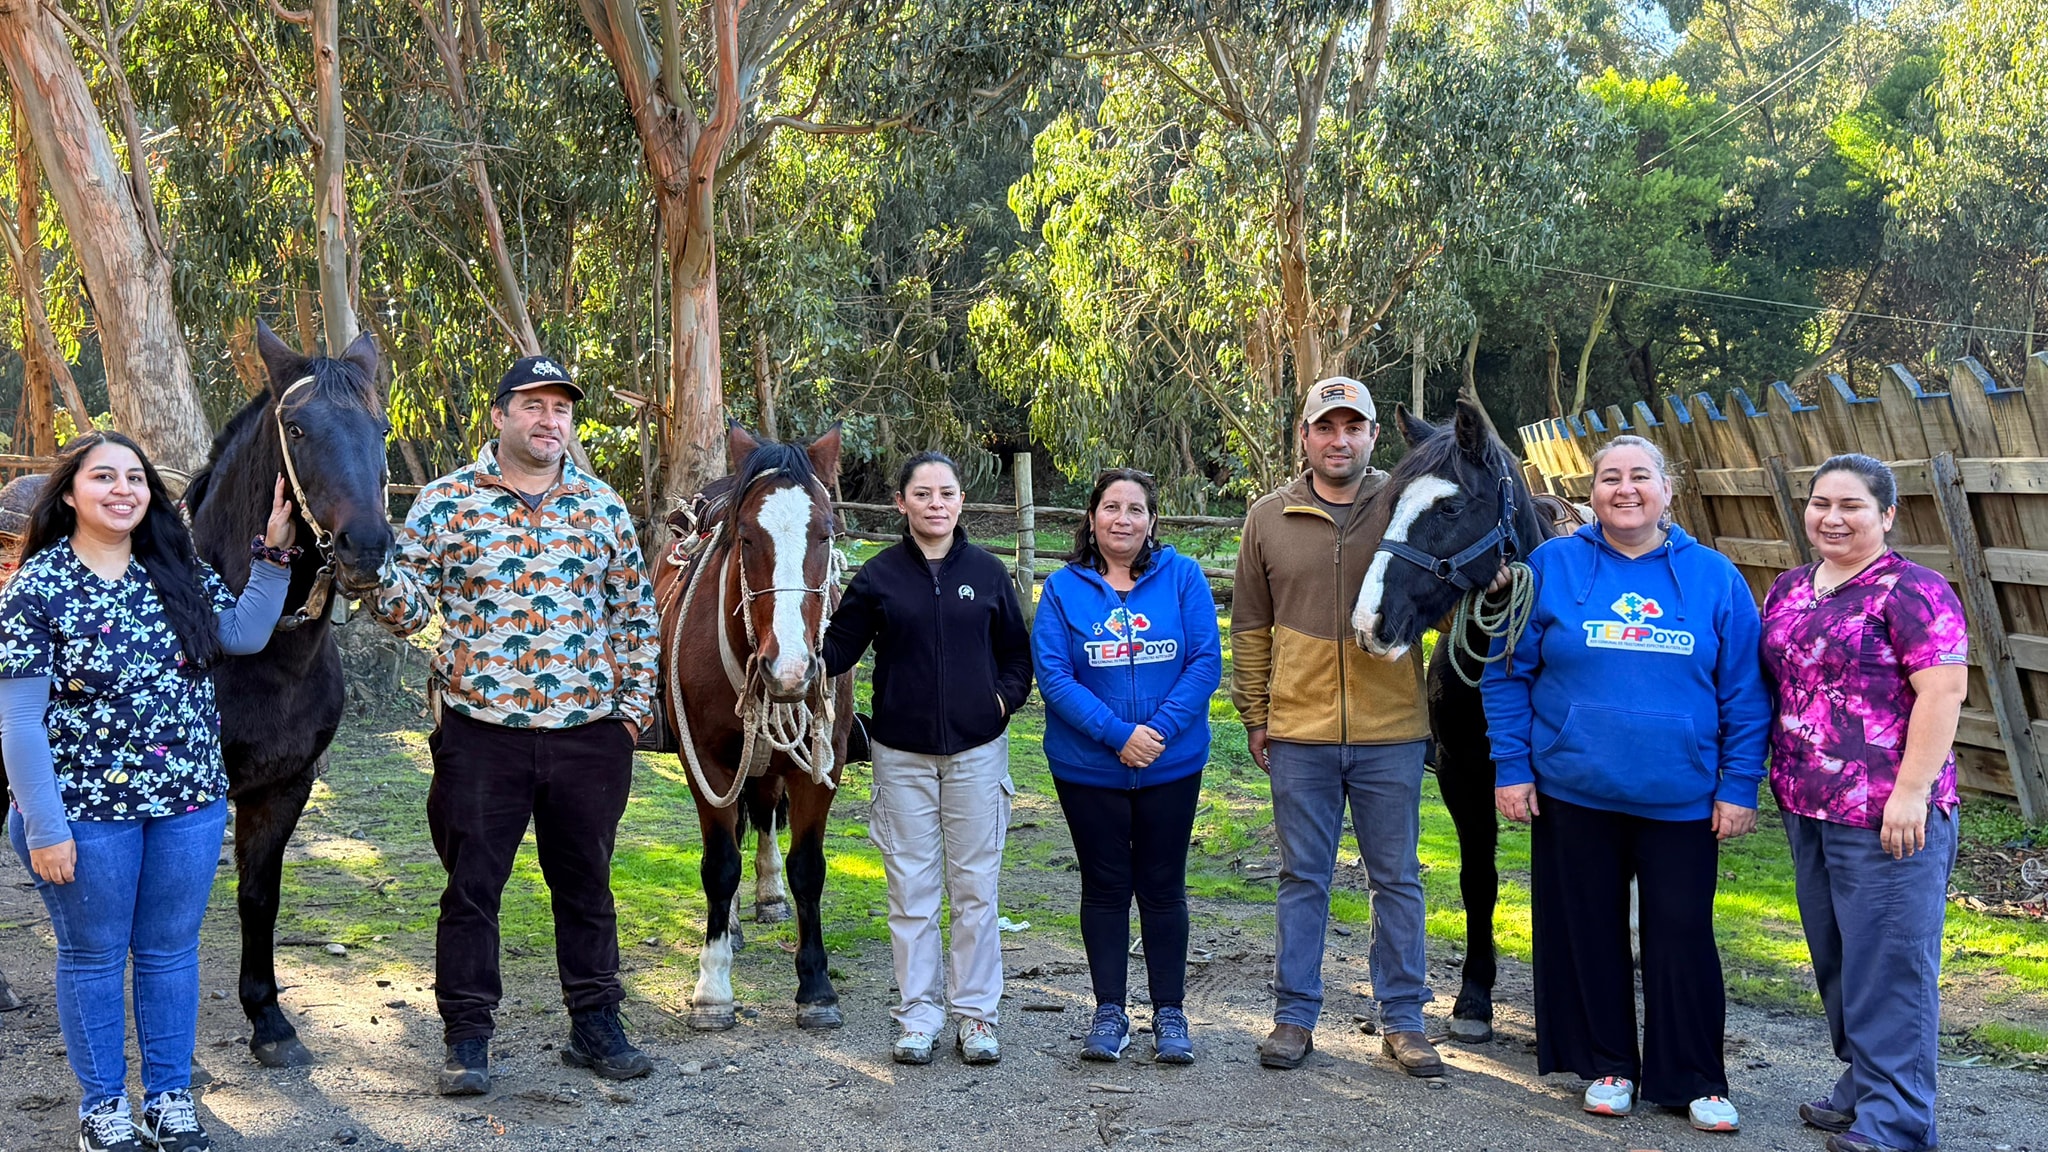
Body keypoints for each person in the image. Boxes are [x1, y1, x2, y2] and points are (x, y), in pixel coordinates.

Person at [368, 355, 657, 1095]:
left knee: (587, 885)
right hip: (480, 732)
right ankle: (467, 1037)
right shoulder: (444, 503)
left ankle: (596, 1024)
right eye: (533, 405)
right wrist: (369, 567)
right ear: (499, 416)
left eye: (560, 408)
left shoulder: (601, 506)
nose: (548, 420)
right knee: (471, 889)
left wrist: (630, 716)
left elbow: (634, 614)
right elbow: (406, 614)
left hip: (588, 734)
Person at [1, 431, 294, 1152]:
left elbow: (244, 634)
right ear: (70, 494)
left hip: (188, 804)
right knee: (94, 957)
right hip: (82, 813)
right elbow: (20, 721)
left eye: (134, 478)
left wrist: (273, 556)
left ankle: (169, 1099)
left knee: (170, 953)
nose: (123, 489)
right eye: (103, 476)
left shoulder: (175, 568)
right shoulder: (38, 587)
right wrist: (43, 825)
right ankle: (103, 1107)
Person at [1483, 434, 1770, 1132]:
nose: (1625, 489)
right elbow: (1506, 673)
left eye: (1641, 476)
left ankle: (1695, 1078)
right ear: (1592, 493)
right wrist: (1513, 768)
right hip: (1574, 790)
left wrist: (1738, 785)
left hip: (1681, 796)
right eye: (1610, 477)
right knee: (1587, 930)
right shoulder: (1550, 567)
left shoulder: (1714, 577)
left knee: (1682, 935)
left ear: (1668, 490)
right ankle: (1607, 1065)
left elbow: (1746, 693)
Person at [1230, 376, 1447, 1076]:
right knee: (1303, 878)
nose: (1339, 439)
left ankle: (1404, 1021)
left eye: (1354, 427)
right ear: (1304, 436)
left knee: (1397, 879)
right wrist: (1256, 713)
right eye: (1325, 426)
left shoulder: (1405, 507)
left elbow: (1445, 602)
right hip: (1301, 732)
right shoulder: (1268, 518)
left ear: (1374, 436)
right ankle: (1293, 1017)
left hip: (1392, 730)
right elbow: (1251, 627)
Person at [1761, 454, 1968, 1152]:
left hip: (1888, 815)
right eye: (1821, 503)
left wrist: (1911, 793)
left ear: (1886, 515)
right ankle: (1866, 1084)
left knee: (1891, 968)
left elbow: (1944, 692)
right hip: (1807, 805)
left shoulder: (1915, 591)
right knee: (1840, 960)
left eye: (1851, 505)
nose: (1833, 518)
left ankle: (1898, 1121)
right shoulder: (1791, 588)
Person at [821, 451, 1033, 1066]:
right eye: (922, 494)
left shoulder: (989, 573)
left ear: (961, 501)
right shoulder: (877, 577)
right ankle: (918, 1017)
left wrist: (999, 702)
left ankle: (976, 1016)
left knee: (975, 891)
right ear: (901, 503)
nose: (935, 504)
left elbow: (1017, 657)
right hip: (900, 758)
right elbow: (835, 651)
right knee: (911, 893)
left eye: (946, 493)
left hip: (977, 755)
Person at [1032, 468, 1222, 1064]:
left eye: (1135, 509)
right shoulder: (1062, 589)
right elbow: (1053, 676)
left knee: (1163, 888)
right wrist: (1117, 735)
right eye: (1111, 507)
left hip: (1170, 764)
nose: (1123, 519)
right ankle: (1109, 1012)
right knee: (1106, 887)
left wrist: (1155, 733)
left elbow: (1205, 661)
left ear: (1152, 520)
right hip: (1087, 768)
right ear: (1091, 519)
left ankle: (1170, 1013)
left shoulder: (1184, 577)